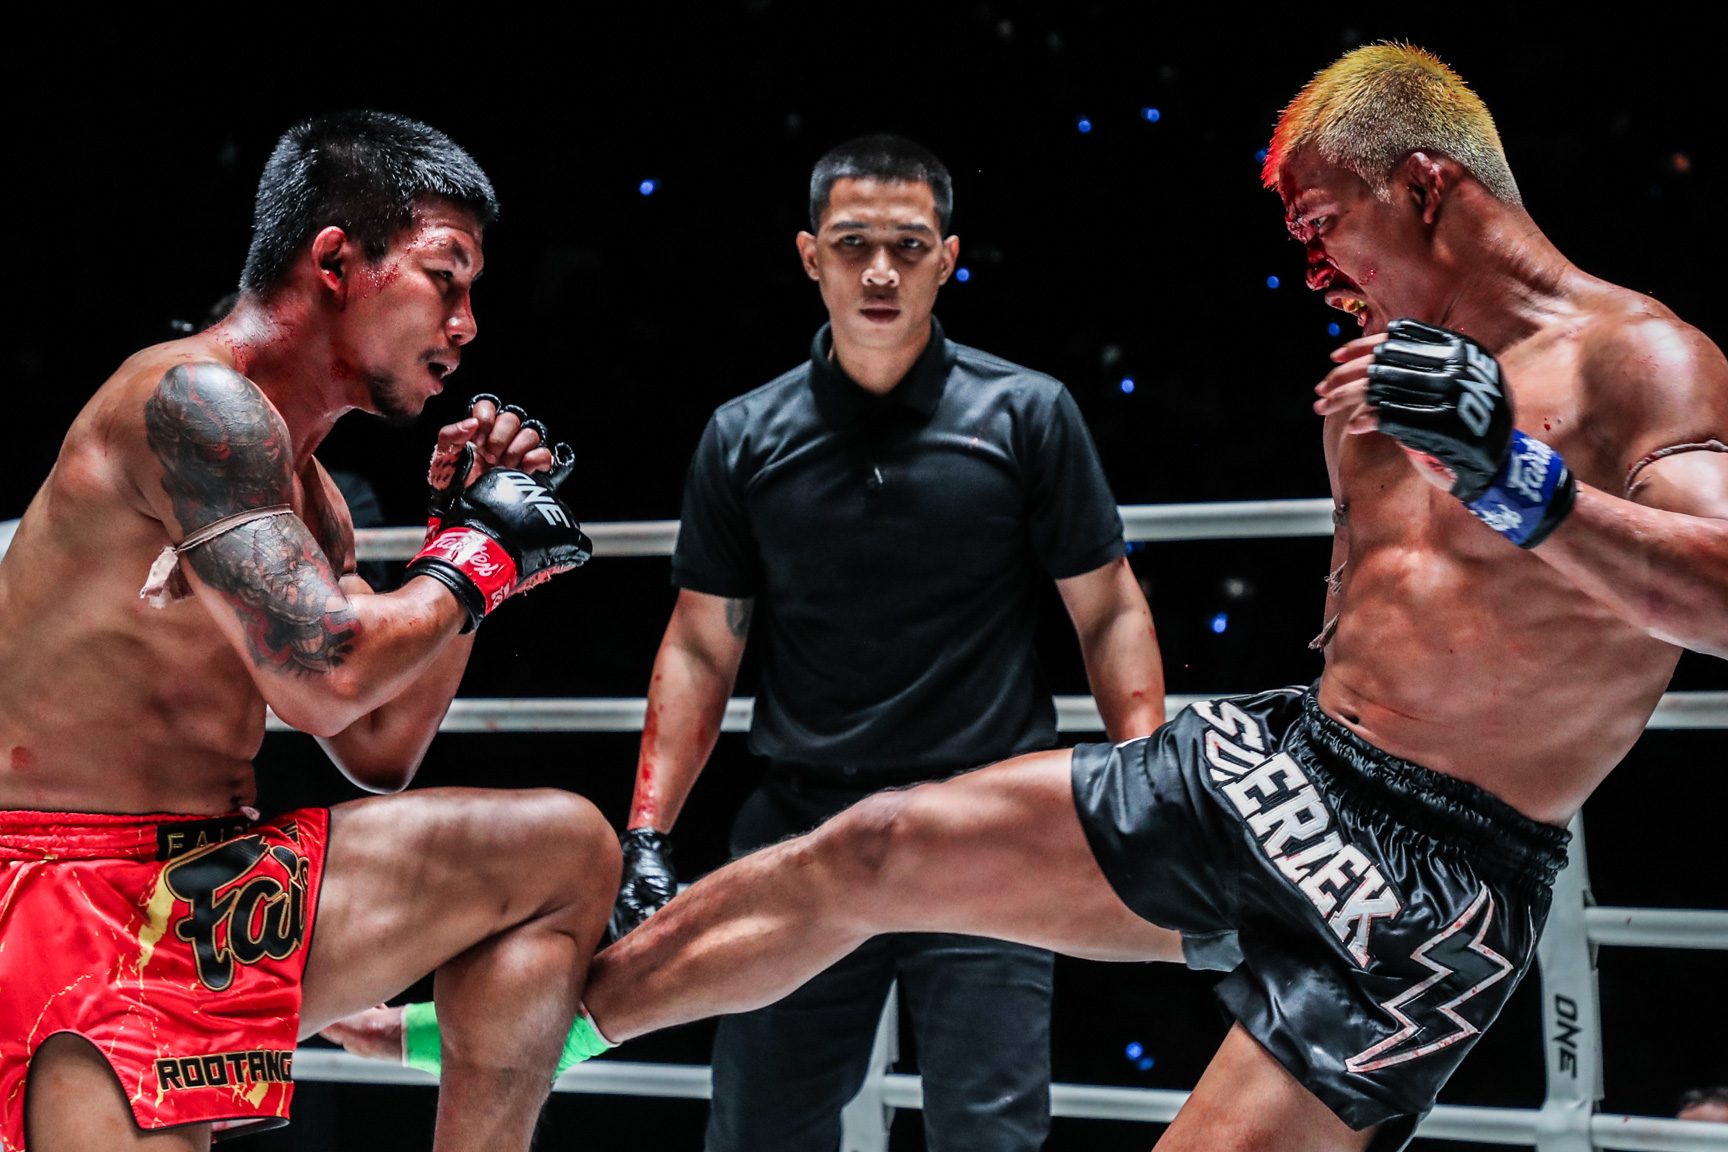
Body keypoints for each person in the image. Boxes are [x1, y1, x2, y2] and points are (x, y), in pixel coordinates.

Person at [340, 42, 1728, 1151]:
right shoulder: (1383, 378)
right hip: (1298, 763)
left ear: (1426, 185)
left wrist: (1521, 481)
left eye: (1323, 225)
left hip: (1438, 882)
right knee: (872, 848)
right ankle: (530, 1029)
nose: (1310, 268)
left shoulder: (1640, 361)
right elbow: (1385, 620)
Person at [337, 132, 1166, 1150]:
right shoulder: (747, 433)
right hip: (803, 819)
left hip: (985, 818)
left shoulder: (1027, 414)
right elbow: (700, 646)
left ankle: (429, 1039)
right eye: (855, 242)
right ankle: (441, 1038)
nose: (879, 270)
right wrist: (648, 832)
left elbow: (1110, 605)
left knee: (990, 1134)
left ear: (949, 259)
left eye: (908, 247)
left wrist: (1146, 784)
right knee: (760, 1128)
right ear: (810, 254)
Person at [0, 110, 620, 1151]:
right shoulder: (192, 401)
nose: (467, 323)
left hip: (205, 887)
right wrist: (475, 561)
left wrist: (462, 543)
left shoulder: (314, 496)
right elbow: (326, 675)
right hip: (56, 893)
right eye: (445, 277)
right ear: (337, 260)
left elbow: (377, 746)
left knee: (559, 849)